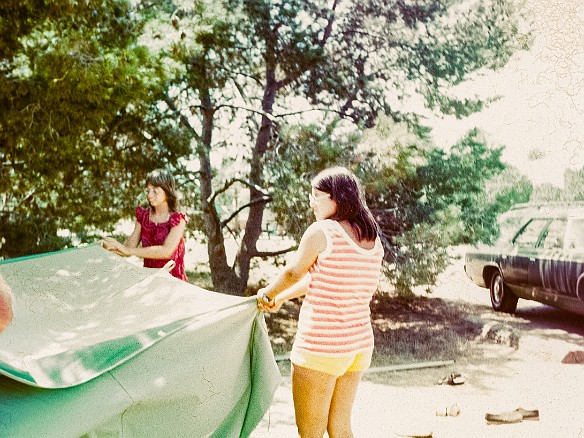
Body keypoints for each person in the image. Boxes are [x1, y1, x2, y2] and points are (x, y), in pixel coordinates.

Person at [257, 166, 384, 438]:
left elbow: (294, 272)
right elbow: (321, 279)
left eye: (317, 195)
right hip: (358, 346)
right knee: (340, 429)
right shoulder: (371, 237)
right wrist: (280, 298)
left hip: (321, 347)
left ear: (338, 197)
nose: (311, 202)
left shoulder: (322, 231)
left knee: (311, 433)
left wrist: (267, 293)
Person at [102, 169, 189, 282]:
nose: (149, 195)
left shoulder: (178, 219)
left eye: (155, 191)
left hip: (174, 284)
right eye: (148, 191)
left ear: (167, 191)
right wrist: (110, 249)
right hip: (150, 282)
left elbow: (166, 251)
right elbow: (128, 248)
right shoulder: (143, 216)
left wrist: (128, 251)